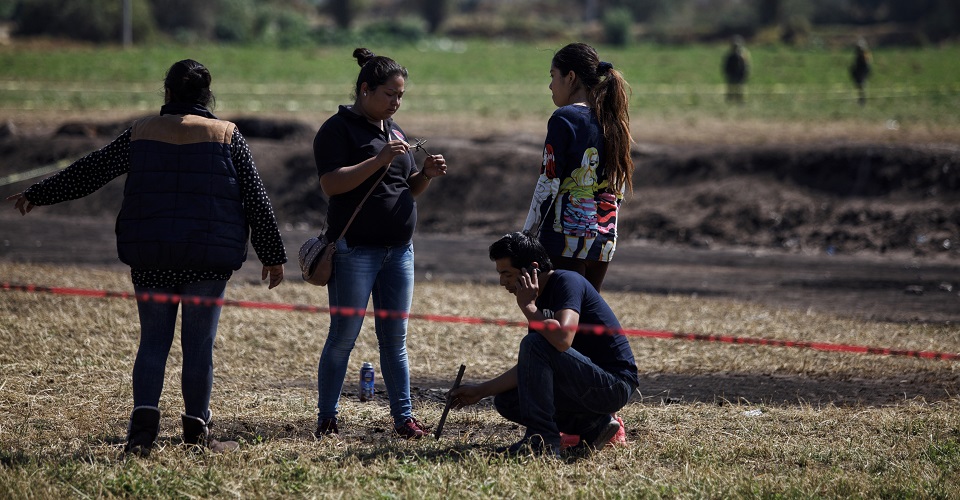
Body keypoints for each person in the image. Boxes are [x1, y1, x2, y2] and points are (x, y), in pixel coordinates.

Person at [6, 59, 287, 456]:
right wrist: (273, 255)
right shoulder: (227, 136)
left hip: (152, 254)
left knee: (153, 343)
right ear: (207, 95)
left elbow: (92, 170)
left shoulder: (142, 133)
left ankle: (140, 438)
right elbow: (256, 198)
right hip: (208, 258)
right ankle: (196, 433)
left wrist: (39, 192)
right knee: (199, 345)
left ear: (167, 92)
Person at [312, 48, 448, 439]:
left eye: (401, 96)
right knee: (344, 336)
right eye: (390, 94)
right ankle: (327, 417)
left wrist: (426, 174)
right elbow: (331, 184)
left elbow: (406, 189)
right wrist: (378, 160)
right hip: (355, 251)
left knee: (395, 340)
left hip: (399, 253)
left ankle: (404, 418)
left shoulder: (396, 132)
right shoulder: (336, 130)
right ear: (365, 89)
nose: (396, 102)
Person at [449, 232, 639, 458]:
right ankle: (594, 426)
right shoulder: (538, 296)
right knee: (508, 401)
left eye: (506, 274)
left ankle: (542, 442)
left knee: (534, 342)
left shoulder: (567, 282)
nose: (502, 282)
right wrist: (480, 391)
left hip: (613, 385)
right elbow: (533, 365)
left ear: (532, 269)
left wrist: (529, 308)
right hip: (584, 383)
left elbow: (562, 339)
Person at [521, 42, 635, 293]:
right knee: (584, 321)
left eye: (553, 76)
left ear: (570, 77)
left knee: (553, 321)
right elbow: (619, 188)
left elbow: (548, 182)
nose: (550, 85)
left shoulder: (565, 118)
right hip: (603, 242)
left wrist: (527, 236)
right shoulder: (614, 119)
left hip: (564, 240)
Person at [723, 35, 750, 104]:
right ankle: (730, 102)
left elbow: (746, 66)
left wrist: (744, 75)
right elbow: (726, 66)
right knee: (731, 90)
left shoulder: (743, 55)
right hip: (731, 76)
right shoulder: (730, 55)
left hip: (740, 76)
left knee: (740, 90)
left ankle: (740, 102)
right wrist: (728, 74)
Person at [850, 38, 872, 106]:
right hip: (859, 71)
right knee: (860, 87)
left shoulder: (865, 54)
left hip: (862, 72)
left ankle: (862, 100)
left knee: (862, 86)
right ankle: (861, 100)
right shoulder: (858, 54)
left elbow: (867, 64)